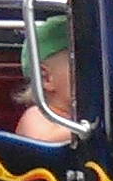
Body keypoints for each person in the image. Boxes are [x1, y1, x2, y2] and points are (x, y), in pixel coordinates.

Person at [14, 13, 77, 144]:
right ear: (45, 78)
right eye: (82, 66)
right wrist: (95, 129)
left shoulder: (85, 117)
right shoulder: (37, 115)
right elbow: (43, 140)